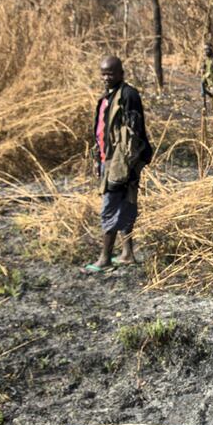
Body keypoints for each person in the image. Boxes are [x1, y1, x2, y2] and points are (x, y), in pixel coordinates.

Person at [84, 56, 152, 273]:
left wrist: (130, 165)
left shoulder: (128, 95)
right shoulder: (108, 97)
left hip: (122, 162)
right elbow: (102, 132)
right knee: (125, 204)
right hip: (108, 160)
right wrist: (98, 160)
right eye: (103, 73)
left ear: (121, 73)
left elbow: (135, 133)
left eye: (111, 73)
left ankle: (104, 258)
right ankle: (127, 253)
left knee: (111, 206)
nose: (106, 77)